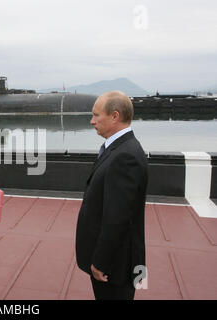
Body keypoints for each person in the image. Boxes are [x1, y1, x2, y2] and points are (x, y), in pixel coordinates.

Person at [75, 91, 148, 300]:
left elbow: (117, 218)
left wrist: (101, 262)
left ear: (115, 116)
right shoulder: (117, 148)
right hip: (113, 263)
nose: (92, 121)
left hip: (114, 267)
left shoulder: (125, 156)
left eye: (96, 115)